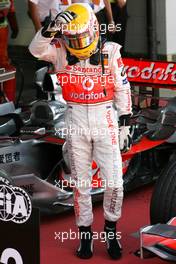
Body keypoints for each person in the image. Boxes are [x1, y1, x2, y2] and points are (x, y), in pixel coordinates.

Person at [29, 3, 132, 259]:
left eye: (82, 36)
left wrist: (126, 122)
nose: (78, 41)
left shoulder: (110, 51)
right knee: (81, 185)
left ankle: (110, 231)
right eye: (72, 37)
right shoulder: (61, 49)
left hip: (104, 117)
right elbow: (34, 50)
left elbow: (122, 88)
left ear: (94, 28)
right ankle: (85, 235)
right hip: (74, 119)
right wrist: (50, 28)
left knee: (115, 184)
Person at [0, 0, 19, 101]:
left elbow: (11, 12)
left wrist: (15, 27)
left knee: (4, 64)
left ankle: (5, 98)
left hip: (2, 29)